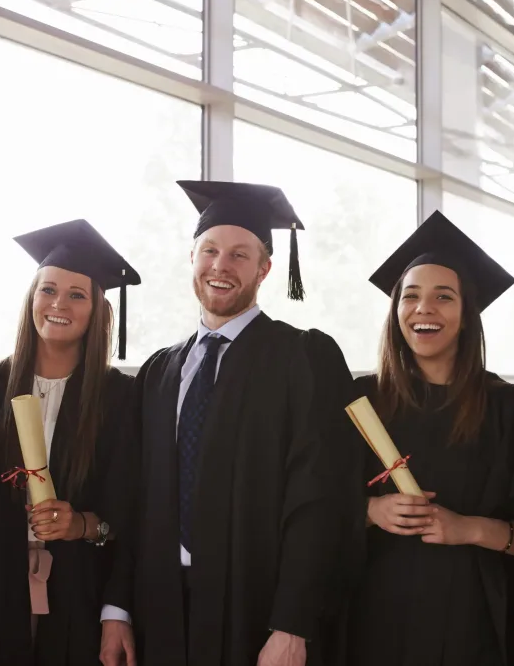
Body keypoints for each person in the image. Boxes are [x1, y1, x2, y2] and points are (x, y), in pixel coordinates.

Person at [99, 181, 358, 666]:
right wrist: (117, 609)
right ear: (191, 257)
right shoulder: (159, 371)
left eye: (240, 255)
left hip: (258, 610)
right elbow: (134, 497)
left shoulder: (304, 358)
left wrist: (293, 623)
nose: (221, 265)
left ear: (265, 269)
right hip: (162, 608)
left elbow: (320, 500)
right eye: (210, 250)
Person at [0, 219, 139, 666]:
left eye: (77, 294)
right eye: (48, 289)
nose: (58, 304)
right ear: (31, 299)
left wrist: (83, 525)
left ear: (97, 311)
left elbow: (130, 512)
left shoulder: (121, 399)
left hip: (80, 596)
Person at [347, 211, 514, 666]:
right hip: (371, 622)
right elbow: (310, 508)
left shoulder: (513, 411)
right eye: (410, 296)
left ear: (467, 314)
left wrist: (469, 528)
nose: (424, 308)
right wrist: (370, 511)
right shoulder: (359, 404)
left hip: (478, 626)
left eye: (444, 297)